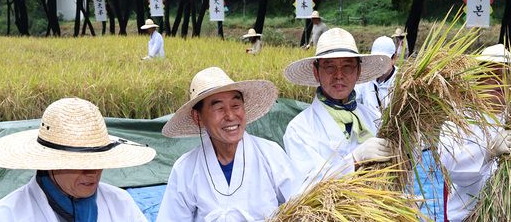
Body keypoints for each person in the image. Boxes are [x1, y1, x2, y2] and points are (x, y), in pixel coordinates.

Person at [157, 67, 300, 221]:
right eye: (219, 108)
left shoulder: (270, 154)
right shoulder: (185, 168)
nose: (230, 116)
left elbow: (301, 205)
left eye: (235, 106)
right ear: (198, 117)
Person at [0, 97, 156, 221]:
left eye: (98, 161)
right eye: (80, 163)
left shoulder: (121, 203)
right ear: (51, 164)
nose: (92, 173)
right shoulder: (6, 215)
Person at [283, 28, 396, 186]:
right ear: (316, 72)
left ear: (358, 71)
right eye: (330, 67)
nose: (339, 75)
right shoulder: (299, 129)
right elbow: (307, 187)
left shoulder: (374, 118)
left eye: (347, 67)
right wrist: (354, 160)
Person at [439, 44, 511, 221]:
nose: (499, 81)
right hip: (466, 216)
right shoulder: (459, 118)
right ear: (478, 78)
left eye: (506, 75)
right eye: (491, 74)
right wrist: (488, 151)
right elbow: (451, 169)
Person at [354, 36, 398, 113]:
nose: (379, 64)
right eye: (376, 59)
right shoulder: (365, 79)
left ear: (393, 58)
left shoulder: (401, 81)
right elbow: (353, 98)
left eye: (384, 60)